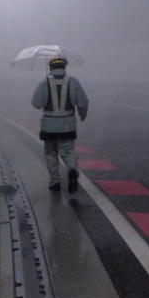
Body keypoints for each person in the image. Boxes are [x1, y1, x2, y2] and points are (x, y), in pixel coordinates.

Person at [31, 56, 89, 194]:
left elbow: (36, 103)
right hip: (67, 125)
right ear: (64, 67)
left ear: (51, 68)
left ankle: (55, 182)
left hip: (48, 125)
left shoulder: (43, 83)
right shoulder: (73, 81)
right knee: (68, 151)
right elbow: (83, 102)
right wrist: (82, 114)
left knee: (50, 153)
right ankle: (72, 169)